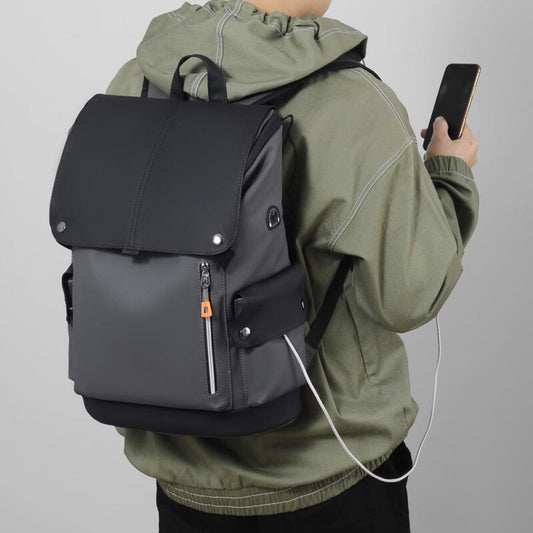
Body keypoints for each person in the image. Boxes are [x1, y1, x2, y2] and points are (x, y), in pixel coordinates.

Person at [106, 0, 479, 531]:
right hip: (329, 478)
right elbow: (411, 294)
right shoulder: (352, 102)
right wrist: (449, 174)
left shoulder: (137, 81)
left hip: (183, 480)